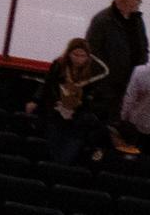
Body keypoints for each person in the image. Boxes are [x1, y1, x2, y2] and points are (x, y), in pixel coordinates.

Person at [30, 36, 110, 164]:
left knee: (68, 155)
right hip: (56, 116)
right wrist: (37, 100)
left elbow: (97, 100)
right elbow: (48, 85)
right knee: (53, 151)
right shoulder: (58, 66)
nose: (78, 59)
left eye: (82, 56)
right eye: (75, 55)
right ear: (69, 54)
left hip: (77, 121)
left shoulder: (94, 73)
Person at [86, 0, 148, 97]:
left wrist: (142, 70)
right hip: (109, 87)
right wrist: (105, 83)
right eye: (137, 0)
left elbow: (143, 46)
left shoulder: (137, 19)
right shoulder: (102, 20)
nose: (139, 3)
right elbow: (93, 53)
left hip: (132, 82)